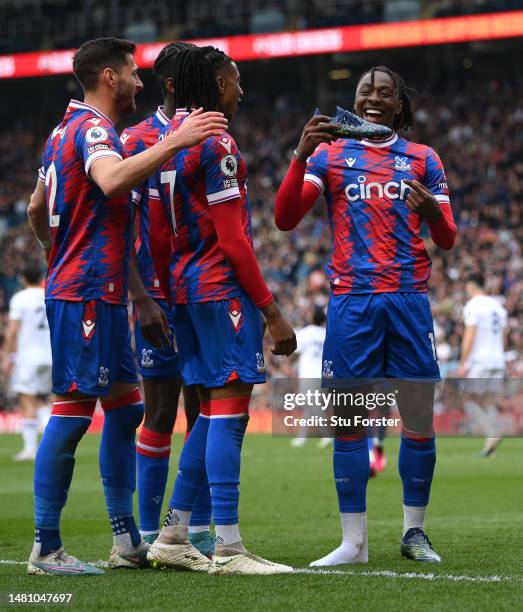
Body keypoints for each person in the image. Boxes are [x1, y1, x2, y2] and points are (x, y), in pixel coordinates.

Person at [26, 37, 227, 576]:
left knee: (126, 410)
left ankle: (127, 540)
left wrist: (55, 250)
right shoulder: (94, 128)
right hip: (86, 290)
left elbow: (35, 206)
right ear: (110, 78)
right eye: (134, 74)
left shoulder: (61, 130)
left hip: (102, 289)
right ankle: (46, 549)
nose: (141, 82)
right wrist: (175, 141)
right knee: (72, 414)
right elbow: (112, 179)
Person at [275, 66, 457, 565]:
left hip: (407, 297)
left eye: (383, 93)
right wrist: (298, 156)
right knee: (350, 421)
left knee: (418, 418)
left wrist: (433, 214)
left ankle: (414, 533)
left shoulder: (424, 159)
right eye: (364, 93)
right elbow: (285, 218)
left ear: (399, 104)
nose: (373, 99)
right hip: (351, 302)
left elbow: (447, 238)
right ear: (355, 102)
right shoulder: (331, 155)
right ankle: (353, 542)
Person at [147, 45, 297, 575]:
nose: (241, 91)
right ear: (213, 83)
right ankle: (230, 549)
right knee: (229, 415)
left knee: (208, 415)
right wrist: (272, 311)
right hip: (220, 290)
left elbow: (159, 236)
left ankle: (172, 534)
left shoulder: (164, 139)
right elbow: (234, 239)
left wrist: (166, 293)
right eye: (235, 81)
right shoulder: (217, 140)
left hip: (184, 292)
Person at [120, 41, 213, 557]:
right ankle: (151, 531)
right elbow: (119, 228)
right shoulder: (138, 138)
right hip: (157, 298)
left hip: (202, 297)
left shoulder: (208, 133)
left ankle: (194, 530)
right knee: (159, 411)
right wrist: (141, 298)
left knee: (206, 412)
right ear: (175, 85)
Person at [3, 266, 52, 461]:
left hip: (28, 357)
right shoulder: (47, 295)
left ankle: (30, 449)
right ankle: (53, 445)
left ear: (22, 278)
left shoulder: (20, 298)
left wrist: (7, 356)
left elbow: (13, 330)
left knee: (27, 399)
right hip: (50, 355)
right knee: (42, 399)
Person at [458, 272, 507, 456]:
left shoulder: (472, 305)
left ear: (470, 286)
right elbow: (504, 334)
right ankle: (490, 448)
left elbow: (470, 335)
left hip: (480, 360)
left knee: (467, 399)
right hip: (497, 358)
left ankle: (493, 433)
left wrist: (463, 363)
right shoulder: (497, 306)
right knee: (488, 401)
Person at [290, 307, 329, 448]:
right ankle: (302, 437)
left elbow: (294, 351)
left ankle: (326, 434)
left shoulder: (305, 333)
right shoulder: (326, 333)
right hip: (323, 374)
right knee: (309, 406)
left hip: (308, 374)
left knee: (313, 405)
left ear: (312, 318)